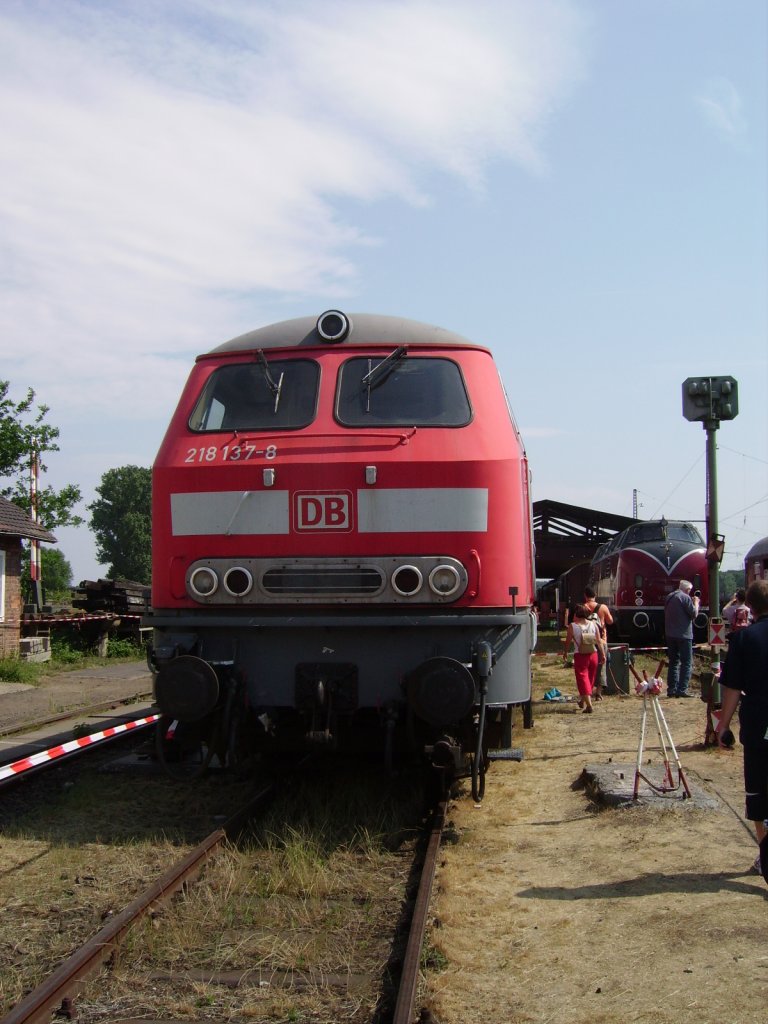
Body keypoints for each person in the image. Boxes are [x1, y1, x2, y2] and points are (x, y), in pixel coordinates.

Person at [715, 579, 768, 876]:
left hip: (759, 726)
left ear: (750, 607)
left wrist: (723, 727)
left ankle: (764, 855)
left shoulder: (744, 639)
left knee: (758, 792)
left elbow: (732, 689)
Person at [664, 579, 700, 697]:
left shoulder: (670, 596)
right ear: (688, 589)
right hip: (684, 635)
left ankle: (671, 689)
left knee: (673, 662)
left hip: (670, 634)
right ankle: (682, 689)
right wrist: (696, 603)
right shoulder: (685, 598)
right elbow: (694, 614)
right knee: (686, 663)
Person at [565, 604, 600, 713]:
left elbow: (568, 641)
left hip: (580, 655)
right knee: (590, 679)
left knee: (582, 679)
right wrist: (603, 654)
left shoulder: (573, 626)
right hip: (593, 654)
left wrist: (565, 652)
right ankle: (582, 701)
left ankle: (589, 706)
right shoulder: (594, 624)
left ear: (577, 614)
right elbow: (599, 641)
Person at [583, 586, 613, 701]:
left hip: (587, 641)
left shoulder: (583, 608)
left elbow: (576, 622)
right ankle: (599, 693)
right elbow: (610, 621)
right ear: (595, 595)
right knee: (601, 666)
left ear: (585, 596)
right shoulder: (603, 607)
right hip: (601, 640)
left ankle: (588, 691)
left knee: (587, 667)